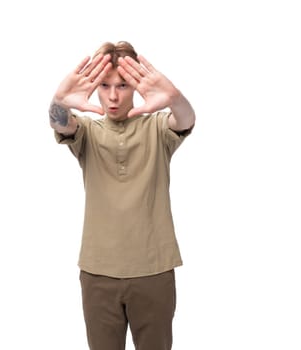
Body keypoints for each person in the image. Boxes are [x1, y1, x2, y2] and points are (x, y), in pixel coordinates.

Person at [48, 41, 195, 350]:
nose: (113, 95)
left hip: (153, 271)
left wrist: (175, 97)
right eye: (105, 85)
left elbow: (184, 120)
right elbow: (63, 122)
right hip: (98, 273)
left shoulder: (156, 128)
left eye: (123, 85)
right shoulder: (88, 132)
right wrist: (59, 100)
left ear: (136, 88)